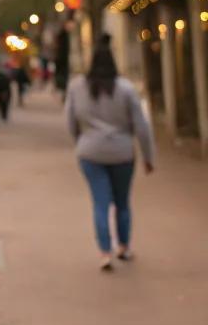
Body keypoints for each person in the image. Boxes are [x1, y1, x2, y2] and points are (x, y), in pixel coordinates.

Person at [66, 32, 154, 271]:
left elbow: (70, 122)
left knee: (100, 202)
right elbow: (141, 126)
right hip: (122, 152)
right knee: (122, 202)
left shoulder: (77, 88)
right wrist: (148, 157)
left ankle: (105, 251)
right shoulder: (125, 89)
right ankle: (123, 246)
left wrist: (82, 142)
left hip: (90, 153)